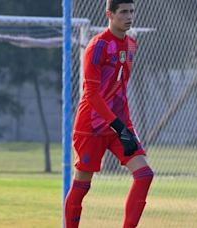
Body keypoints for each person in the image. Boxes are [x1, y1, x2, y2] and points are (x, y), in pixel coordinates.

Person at [64, 0, 153, 227]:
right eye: (123, 12)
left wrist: (127, 128)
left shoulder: (132, 45)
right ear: (109, 14)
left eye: (132, 11)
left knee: (144, 175)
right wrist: (119, 126)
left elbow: (120, 91)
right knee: (82, 186)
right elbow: (92, 94)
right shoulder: (98, 46)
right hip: (91, 127)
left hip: (119, 126)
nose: (129, 16)